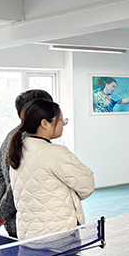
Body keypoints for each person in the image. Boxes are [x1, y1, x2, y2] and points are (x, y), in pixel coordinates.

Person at [9, 99, 95, 240]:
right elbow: (87, 186)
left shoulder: (18, 150)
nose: (63, 124)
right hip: (59, 234)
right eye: (60, 119)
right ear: (44, 123)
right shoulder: (56, 153)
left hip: (28, 236)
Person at [0, 89, 54, 238]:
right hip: (32, 222)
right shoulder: (31, 140)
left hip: (17, 221)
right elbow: (17, 183)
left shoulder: (12, 135)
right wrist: (1, 213)